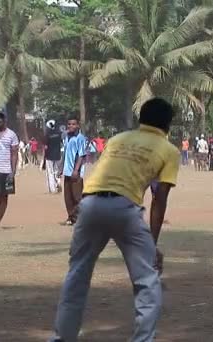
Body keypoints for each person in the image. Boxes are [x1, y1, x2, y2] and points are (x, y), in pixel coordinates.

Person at [49, 98, 179, 342]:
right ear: (168, 124)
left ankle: (61, 338)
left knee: (77, 276)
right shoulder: (169, 150)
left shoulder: (118, 139)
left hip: (90, 204)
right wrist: (152, 243)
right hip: (124, 208)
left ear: (141, 119)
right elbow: (159, 198)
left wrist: (81, 204)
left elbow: (102, 173)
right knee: (147, 282)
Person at [57, 116, 87, 226]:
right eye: (69, 124)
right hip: (67, 171)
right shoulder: (66, 137)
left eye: (73, 124)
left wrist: (76, 170)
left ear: (78, 125)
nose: (71, 126)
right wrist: (61, 168)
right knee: (68, 197)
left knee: (77, 196)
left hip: (76, 173)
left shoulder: (80, 138)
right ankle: (71, 218)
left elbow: (81, 155)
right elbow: (65, 154)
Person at [44, 120, 63, 193]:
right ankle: (58, 182)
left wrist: (45, 156)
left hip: (49, 156)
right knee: (56, 171)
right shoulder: (59, 133)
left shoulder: (47, 135)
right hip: (58, 155)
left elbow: (45, 146)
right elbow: (61, 143)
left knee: (50, 172)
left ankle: (52, 189)